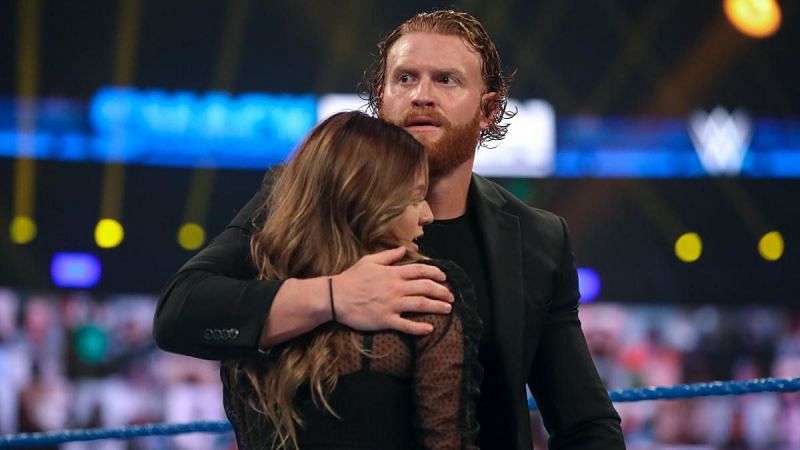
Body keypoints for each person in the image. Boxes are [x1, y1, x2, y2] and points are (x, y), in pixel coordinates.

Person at [154, 9, 625, 449]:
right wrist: (333, 296)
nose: (422, 94)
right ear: (381, 97)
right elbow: (181, 313)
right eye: (405, 78)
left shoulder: (537, 239)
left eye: (446, 80)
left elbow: (585, 421)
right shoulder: (305, 196)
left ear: (488, 110)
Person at [221, 111, 482, 449]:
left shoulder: (251, 289)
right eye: (415, 198)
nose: (427, 215)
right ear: (365, 200)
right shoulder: (423, 289)